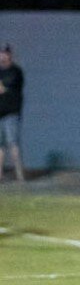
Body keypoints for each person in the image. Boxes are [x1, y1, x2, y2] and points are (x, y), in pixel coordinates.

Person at [0, 44, 25, 182]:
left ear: (10, 55)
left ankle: (20, 175)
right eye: (1, 53)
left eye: (5, 53)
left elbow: (5, 87)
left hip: (11, 114)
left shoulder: (15, 72)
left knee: (13, 143)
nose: (3, 56)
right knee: (0, 146)